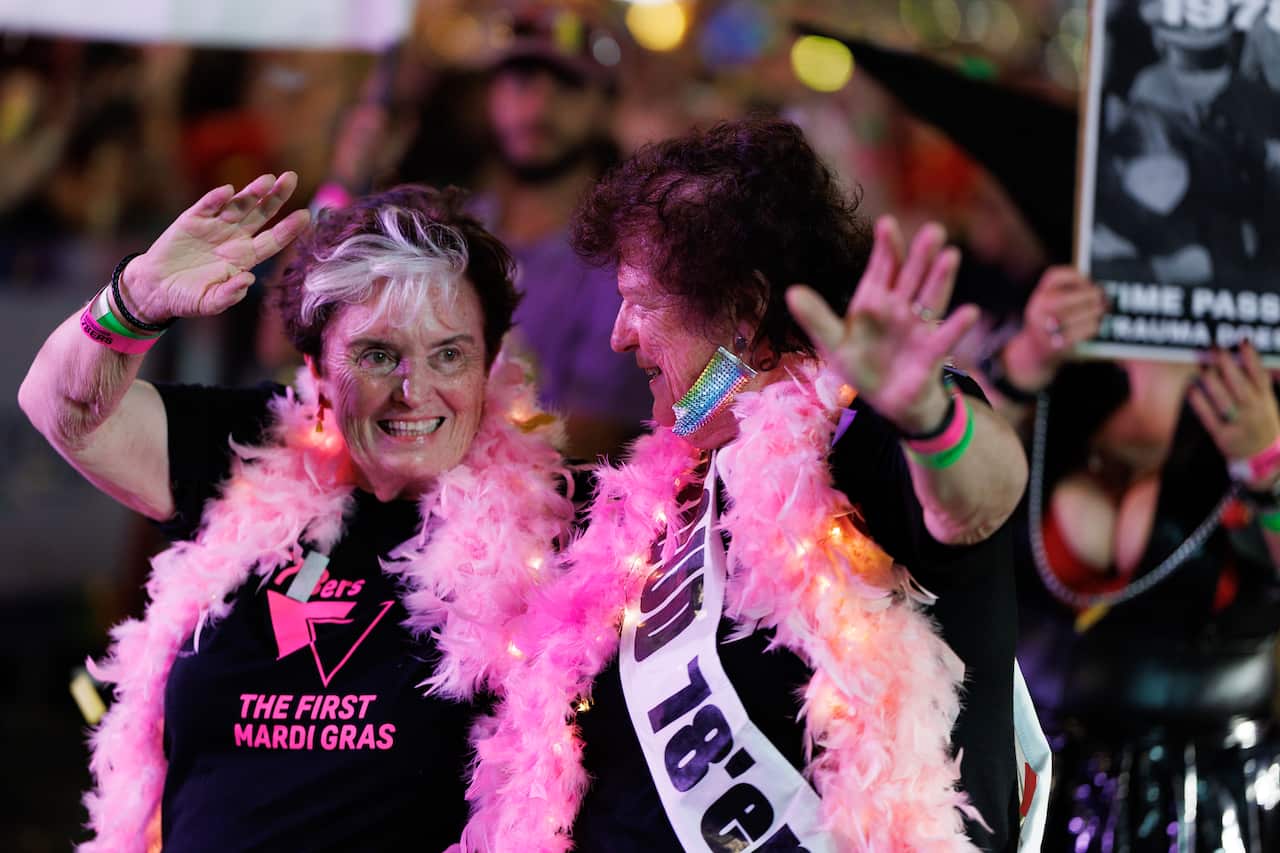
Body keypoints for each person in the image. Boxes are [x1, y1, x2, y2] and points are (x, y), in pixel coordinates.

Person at [454, 118, 1032, 851]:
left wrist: (932, 418)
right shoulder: (670, 479)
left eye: (643, 300)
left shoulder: (866, 427)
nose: (619, 334)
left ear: (744, 309)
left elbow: (982, 503)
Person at [18, 173, 573, 851]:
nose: (414, 390)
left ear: (489, 365)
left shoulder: (551, 528)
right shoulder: (250, 451)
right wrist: (132, 301)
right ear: (315, 365)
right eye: (377, 354)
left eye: (449, 354)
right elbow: (59, 408)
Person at [974, 267, 1280, 852]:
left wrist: (1267, 468)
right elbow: (935, 486)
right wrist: (1021, 366)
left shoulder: (1269, 404)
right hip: (1031, 760)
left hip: (1209, 787)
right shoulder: (1064, 391)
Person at [319, 10, 650, 459]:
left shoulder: (624, 259)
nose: (536, 106)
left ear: (604, 105)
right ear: (489, 97)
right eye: (519, 81)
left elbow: (597, 434)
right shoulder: (446, 232)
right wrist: (343, 180)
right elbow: (282, 340)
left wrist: (418, 435)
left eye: (566, 86)